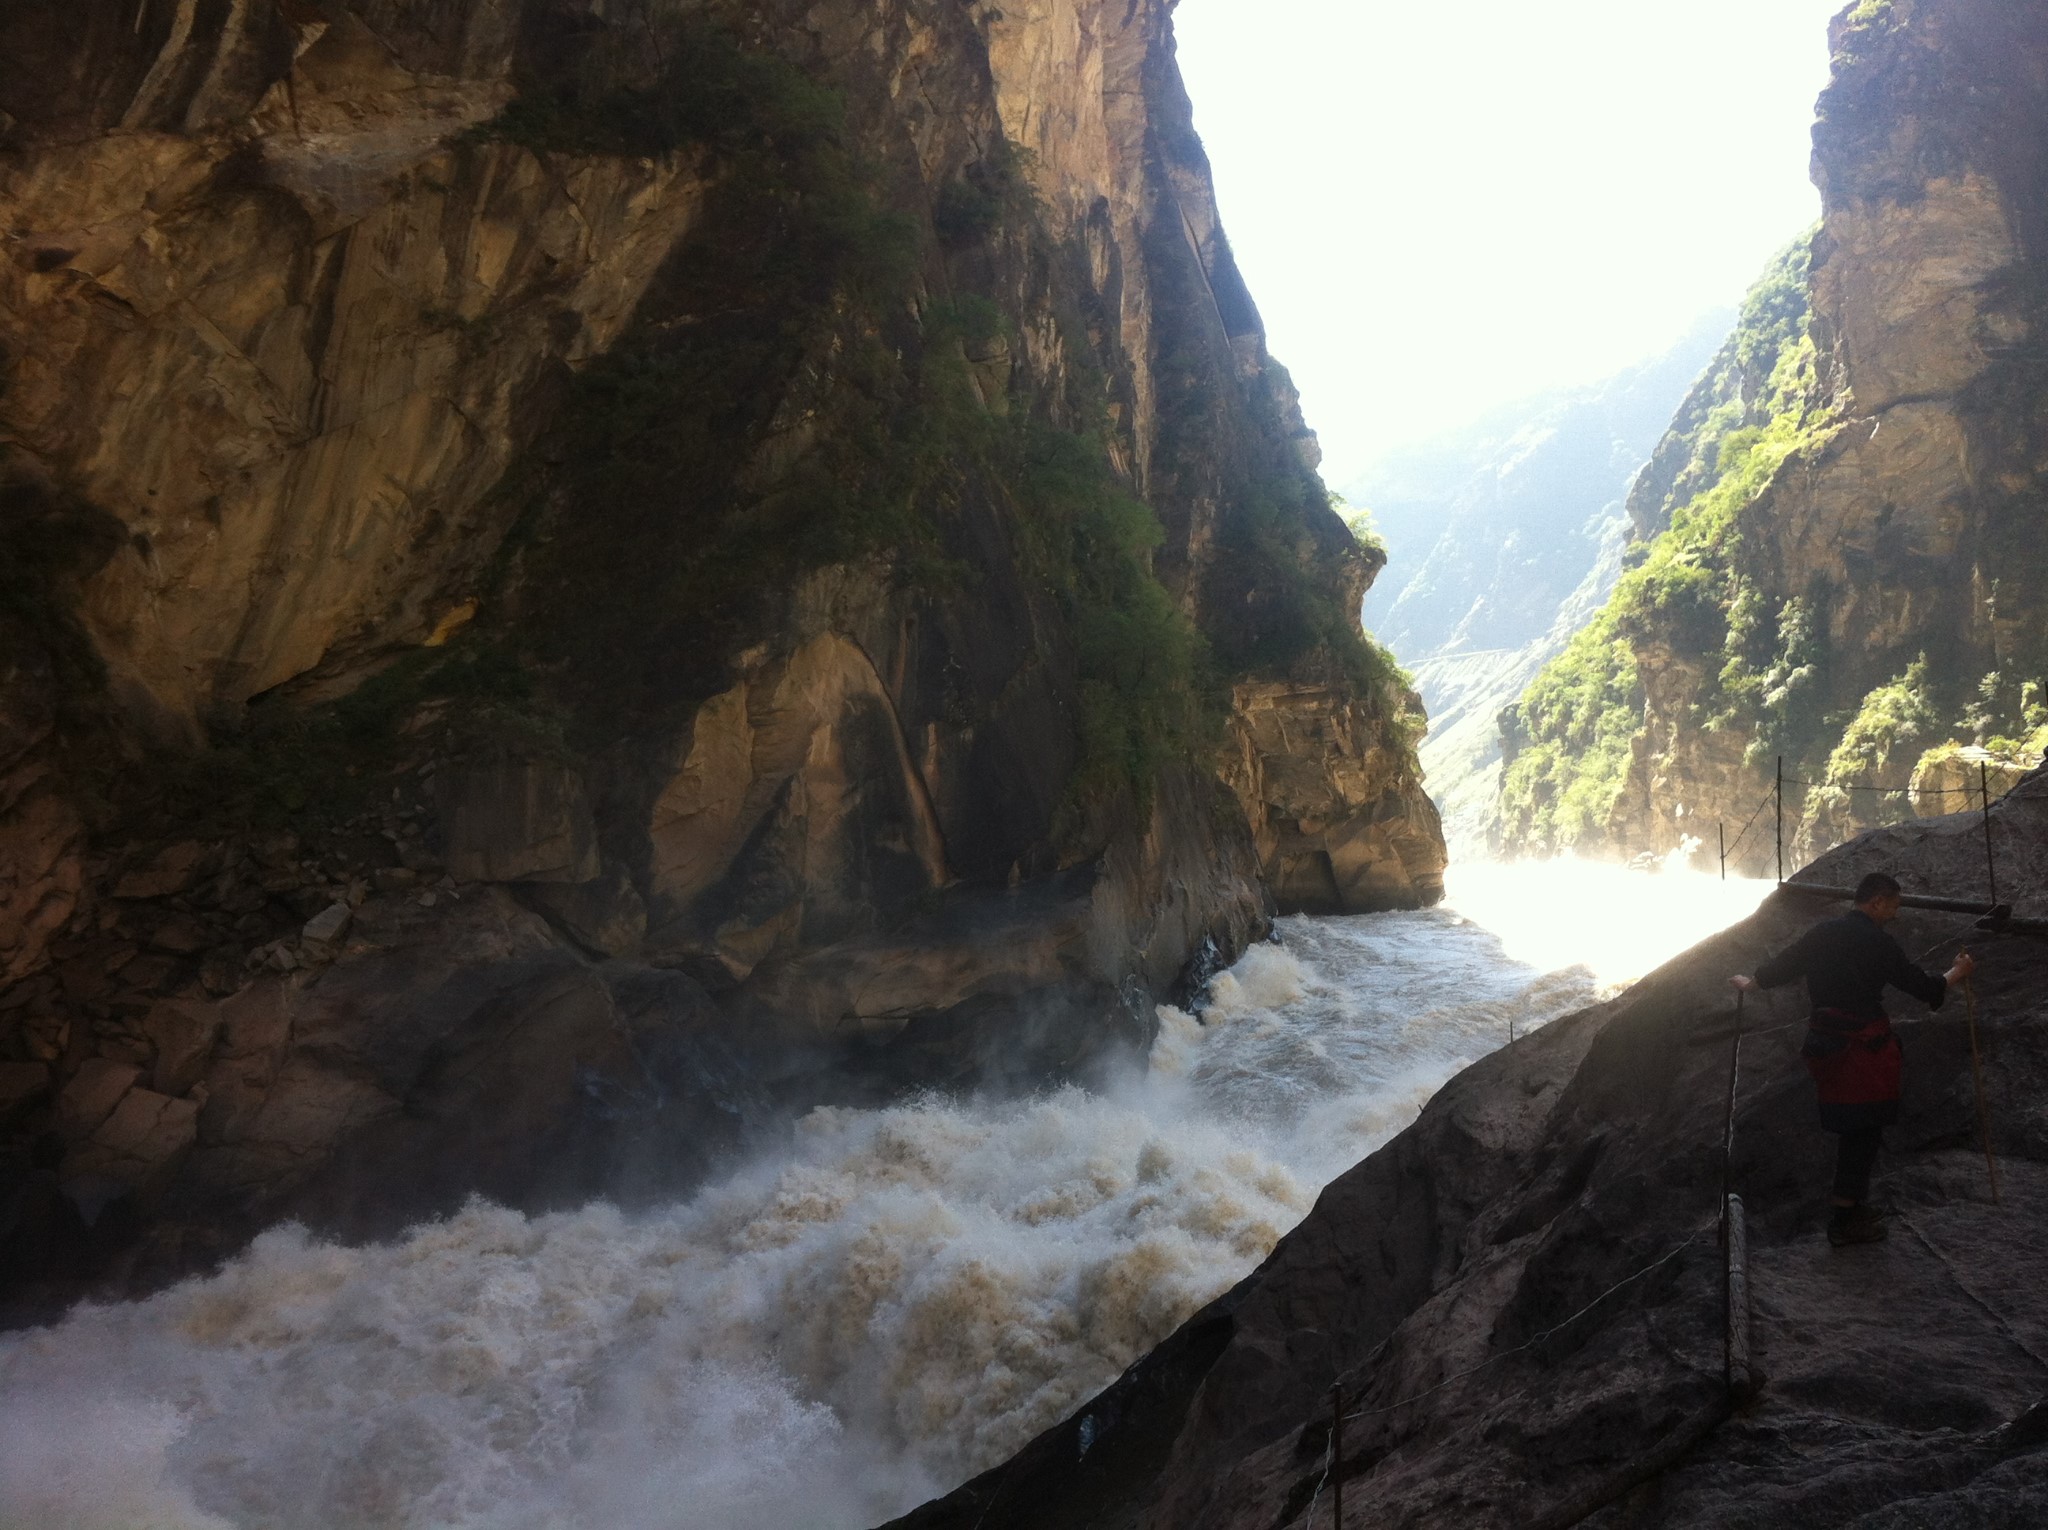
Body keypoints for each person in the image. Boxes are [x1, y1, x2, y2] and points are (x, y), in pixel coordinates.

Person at [1730, 871, 1974, 1246]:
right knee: (1864, 1129)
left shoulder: (1824, 932)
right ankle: (1845, 1218)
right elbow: (1922, 986)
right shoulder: (1879, 943)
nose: (1894, 915)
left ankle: (1851, 1208)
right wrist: (1957, 973)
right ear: (1876, 901)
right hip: (1863, 1047)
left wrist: (1752, 982)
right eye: (1892, 906)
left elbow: (1786, 964)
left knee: (1853, 1127)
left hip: (1824, 1043)